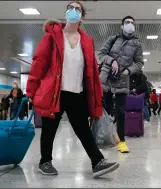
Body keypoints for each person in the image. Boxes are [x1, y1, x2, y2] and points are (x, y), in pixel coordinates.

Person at [26, 1, 119, 178]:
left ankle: (97, 162)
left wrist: (96, 96)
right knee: (49, 129)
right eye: (70, 8)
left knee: (83, 129)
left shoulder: (86, 41)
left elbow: (91, 71)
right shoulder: (52, 37)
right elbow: (38, 64)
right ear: (66, 12)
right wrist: (30, 91)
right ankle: (44, 161)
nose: (73, 11)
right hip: (55, 92)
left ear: (82, 17)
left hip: (78, 93)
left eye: (77, 9)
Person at [98, 15, 144, 153]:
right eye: (126, 22)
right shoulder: (113, 39)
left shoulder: (137, 44)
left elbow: (140, 62)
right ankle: (100, 137)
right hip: (106, 78)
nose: (129, 24)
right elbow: (101, 54)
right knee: (102, 111)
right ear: (122, 26)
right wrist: (112, 61)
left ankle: (122, 141)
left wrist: (128, 71)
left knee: (120, 112)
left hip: (123, 79)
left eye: (131, 23)